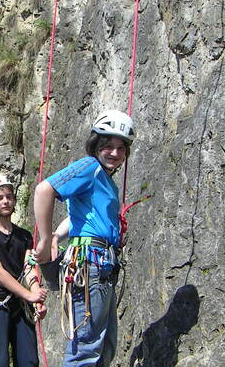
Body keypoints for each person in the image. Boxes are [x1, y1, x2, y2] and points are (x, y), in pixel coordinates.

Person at [32, 110, 135, 367]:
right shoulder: (89, 166)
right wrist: (45, 240)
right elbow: (45, 189)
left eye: (121, 148)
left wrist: (56, 234)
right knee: (86, 349)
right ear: (96, 146)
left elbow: (80, 215)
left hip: (102, 265)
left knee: (105, 347)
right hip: (90, 265)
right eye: (108, 146)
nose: (114, 152)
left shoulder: (105, 180)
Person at [0, 175, 48, 367]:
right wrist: (29, 296)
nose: (6, 201)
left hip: (20, 302)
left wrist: (36, 295)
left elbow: (29, 267)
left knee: (29, 361)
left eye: (9, 196)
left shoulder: (24, 235)